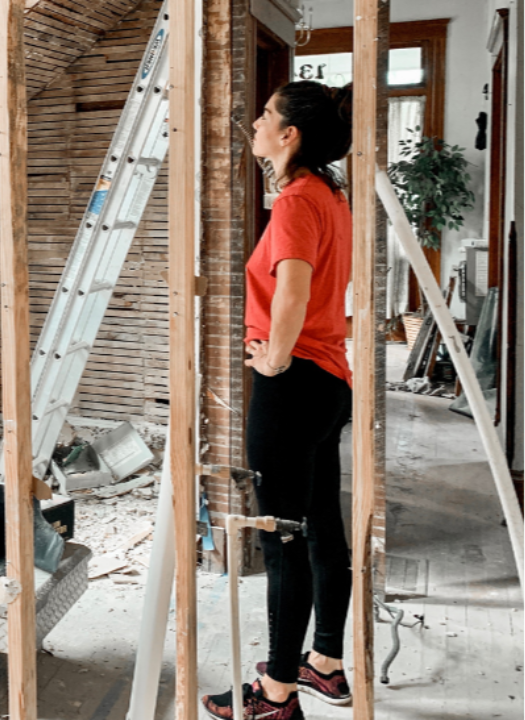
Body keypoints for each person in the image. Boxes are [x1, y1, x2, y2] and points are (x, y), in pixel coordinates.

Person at [201, 81, 356, 720]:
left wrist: (274, 356)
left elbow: (293, 288)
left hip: (291, 388)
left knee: (281, 539)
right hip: (329, 383)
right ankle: (324, 663)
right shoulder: (329, 195)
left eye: (266, 114)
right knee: (319, 528)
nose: (257, 122)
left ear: (289, 135)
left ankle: (275, 696)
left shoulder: (296, 201)